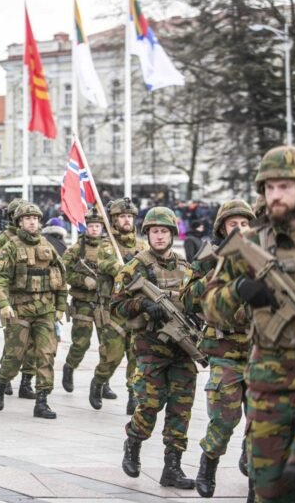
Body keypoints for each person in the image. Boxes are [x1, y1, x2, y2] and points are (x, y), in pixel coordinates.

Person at [204, 146, 295, 502]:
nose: (275, 195)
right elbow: (210, 306)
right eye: (269, 187)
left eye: (285, 187)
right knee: (268, 490)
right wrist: (240, 290)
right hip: (269, 389)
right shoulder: (248, 243)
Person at [115, 206, 196, 490]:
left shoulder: (186, 267)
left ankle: (172, 467)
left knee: (181, 409)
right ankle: (133, 442)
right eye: (154, 232)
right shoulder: (136, 267)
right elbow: (116, 306)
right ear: (147, 234)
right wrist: (143, 304)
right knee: (149, 404)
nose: (159, 236)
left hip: (182, 350)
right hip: (150, 347)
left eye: (164, 231)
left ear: (172, 234)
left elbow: (197, 303)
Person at [180, 199, 255, 499]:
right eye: (233, 224)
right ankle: (208, 463)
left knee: (263, 422)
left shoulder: (264, 256)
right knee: (224, 418)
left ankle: (255, 474)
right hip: (225, 351)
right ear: (222, 228)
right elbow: (187, 299)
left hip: (261, 352)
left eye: (245, 224)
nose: (239, 229)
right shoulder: (209, 258)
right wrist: (216, 277)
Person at [0, 203, 68, 418]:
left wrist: (61, 307)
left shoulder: (48, 245)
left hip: (45, 309)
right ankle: (1, 382)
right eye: (27, 218)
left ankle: (42, 401)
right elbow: (0, 278)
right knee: (14, 355)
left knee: (46, 355)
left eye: (35, 218)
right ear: (20, 222)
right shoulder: (11, 247)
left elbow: (61, 278)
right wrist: (4, 304)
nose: (32, 222)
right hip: (20, 309)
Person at [91, 198, 149, 413]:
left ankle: (133, 395)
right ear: (113, 220)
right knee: (112, 356)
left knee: (136, 355)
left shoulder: (143, 246)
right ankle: (99, 381)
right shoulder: (107, 246)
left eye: (129, 216)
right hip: (114, 309)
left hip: (136, 308)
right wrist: (129, 268)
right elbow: (109, 265)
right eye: (122, 217)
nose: (126, 220)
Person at [61, 208, 114, 399]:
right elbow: (63, 272)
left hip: (104, 303)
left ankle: (103, 382)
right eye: (91, 226)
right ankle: (69, 367)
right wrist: (83, 280)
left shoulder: (110, 248)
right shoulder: (76, 249)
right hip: (83, 302)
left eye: (97, 226)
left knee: (107, 345)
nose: (94, 229)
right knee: (81, 343)